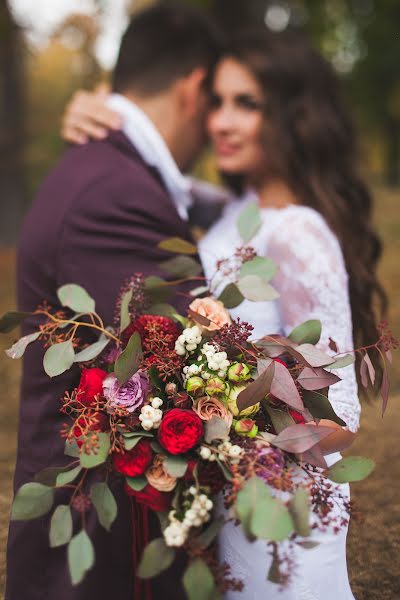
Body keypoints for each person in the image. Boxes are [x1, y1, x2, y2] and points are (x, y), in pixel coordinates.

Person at [62, 27, 386, 599]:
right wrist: (97, 109)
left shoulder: (301, 234)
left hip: (280, 513)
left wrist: (213, 427)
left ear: (295, 115)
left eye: (246, 104)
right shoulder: (238, 208)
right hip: (233, 502)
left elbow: (342, 419)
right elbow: (155, 177)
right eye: (217, 103)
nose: (219, 123)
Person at [6, 3, 223, 600]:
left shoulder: (111, 174)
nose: (218, 128)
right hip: (103, 557)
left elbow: (213, 208)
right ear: (195, 88)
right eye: (220, 105)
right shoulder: (115, 196)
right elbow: (192, 368)